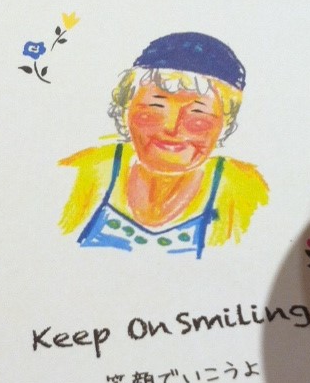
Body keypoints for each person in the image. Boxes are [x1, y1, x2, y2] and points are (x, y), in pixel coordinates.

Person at [59, 31, 268, 256]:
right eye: (153, 112)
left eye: (197, 120)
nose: (171, 129)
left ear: (225, 126)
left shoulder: (243, 189)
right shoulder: (86, 170)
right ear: (125, 111)